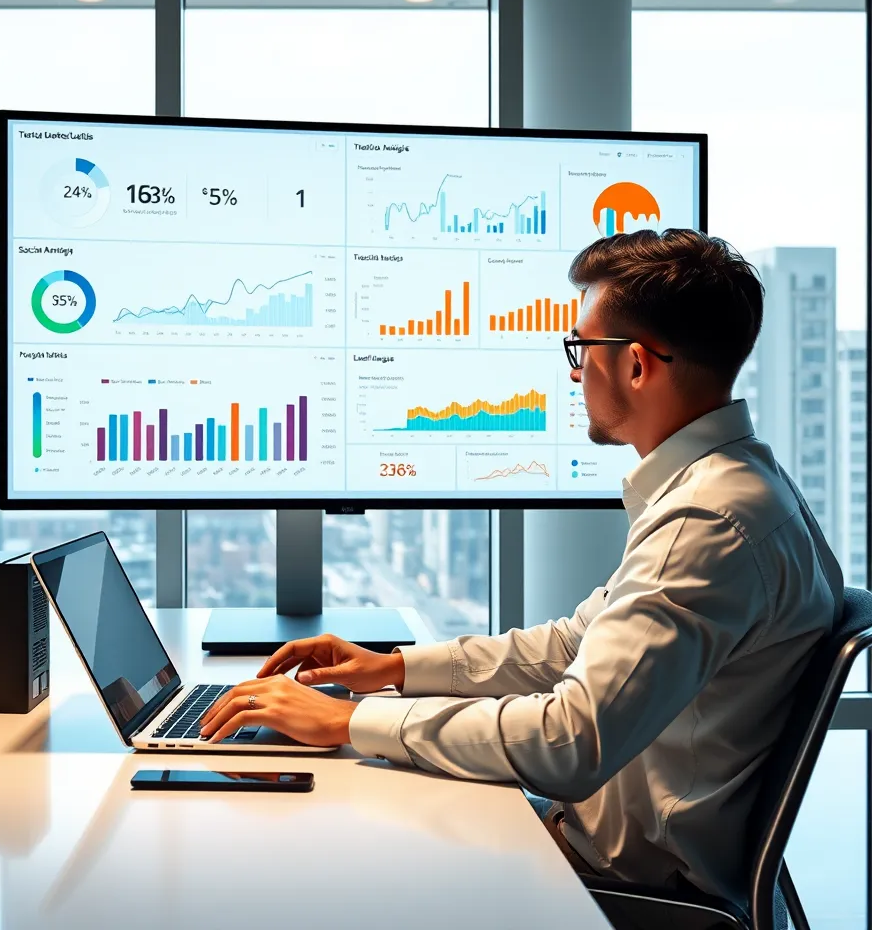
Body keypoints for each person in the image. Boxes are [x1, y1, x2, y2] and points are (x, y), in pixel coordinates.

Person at [200, 228, 843, 906]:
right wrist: (393, 669)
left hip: (619, 886)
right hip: (596, 846)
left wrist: (347, 723)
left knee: (297, 854)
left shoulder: (706, 521)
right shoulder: (734, 486)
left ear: (635, 365)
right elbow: (573, 645)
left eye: (581, 348)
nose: (573, 371)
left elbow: (569, 742)